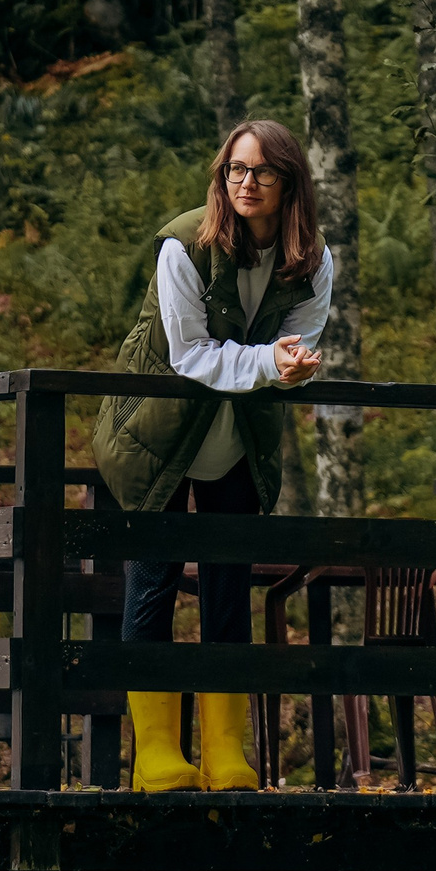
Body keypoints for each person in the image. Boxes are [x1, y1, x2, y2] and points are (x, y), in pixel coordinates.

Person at [91, 118, 334, 791]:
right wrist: (271, 363)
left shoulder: (313, 260)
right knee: (154, 583)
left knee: (229, 589)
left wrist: (293, 366)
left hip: (237, 435)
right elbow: (191, 354)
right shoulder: (184, 246)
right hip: (158, 433)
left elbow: (300, 341)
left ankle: (225, 752)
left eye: (262, 170)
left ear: (290, 182)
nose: (246, 182)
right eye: (235, 169)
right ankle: (156, 754)